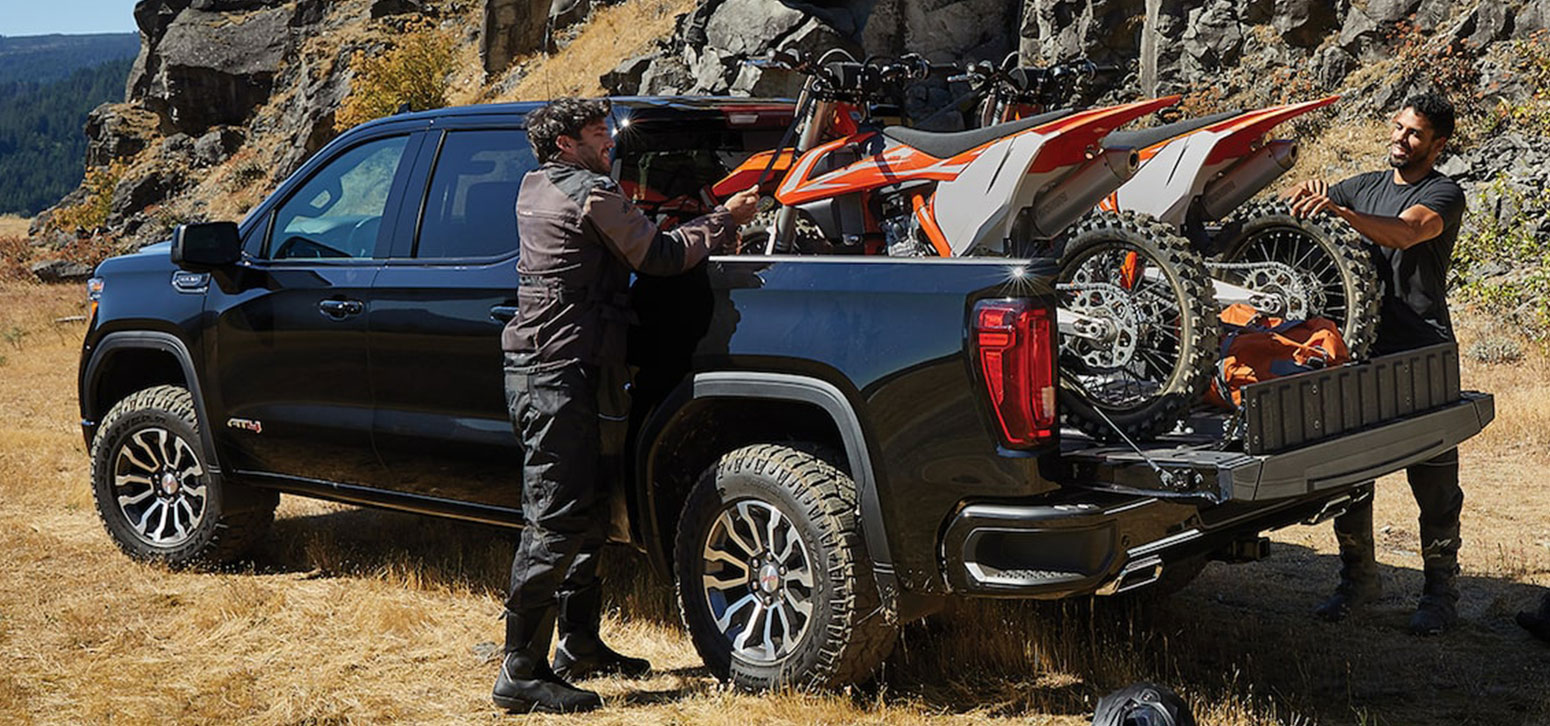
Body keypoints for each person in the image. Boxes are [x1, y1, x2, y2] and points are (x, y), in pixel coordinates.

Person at [494, 97, 759, 712]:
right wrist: (722, 219)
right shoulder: (588, 191)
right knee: (556, 518)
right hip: (557, 371)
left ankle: (579, 643)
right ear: (565, 143)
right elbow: (657, 257)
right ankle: (519, 671)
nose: (607, 142)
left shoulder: (538, 184)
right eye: (595, 134)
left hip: (563, 366)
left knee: (587, 513)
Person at [1285, 92, 1467, 636]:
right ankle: (1358, 580)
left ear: (1437, 144)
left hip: (1422, 350)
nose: (1399, 138)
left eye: (1413, 134)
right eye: (1396, 127)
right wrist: (1311, 194)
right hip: (1360, 350)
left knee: (1433, 479)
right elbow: (1313, 211)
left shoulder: (1443, 192)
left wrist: (1340, 211)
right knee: (1350, 473)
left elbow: (1409, 231)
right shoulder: (1363, 185)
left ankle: (1441, 595)